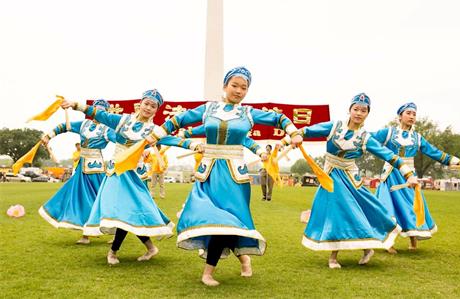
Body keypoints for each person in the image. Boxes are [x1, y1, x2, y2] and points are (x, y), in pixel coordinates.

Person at [148, 67, 303, 286]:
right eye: (235, 85)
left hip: (234, 178)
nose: (239, 91)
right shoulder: (208, 109)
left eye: (244, 88)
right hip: (208, 174)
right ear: (224, 86)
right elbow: (177, 121)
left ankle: (211, 271)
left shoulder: (248, 114)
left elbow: (278, 119)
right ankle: (239, 261)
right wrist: (156, 135)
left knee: (228, 222)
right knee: (214, 220)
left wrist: (294, 133)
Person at [61, 89, 200, 265]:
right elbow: (99, 114)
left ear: (156, 111)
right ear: (140, 104)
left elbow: (172, 140)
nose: (148, 108)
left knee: (127, 213)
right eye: (146, 104)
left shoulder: (153, 130)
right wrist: (76, 105)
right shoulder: (123, 120)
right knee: (121, 212)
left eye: (153, 106)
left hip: (131, 176)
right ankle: (141, 249)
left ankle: (115, 251)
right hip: (114, 173)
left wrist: (194, 145)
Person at [296, 93, 418, 269]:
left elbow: (389, 156)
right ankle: (353, 251)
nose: (359, 113)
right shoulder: (334, 127)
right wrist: (294, 137)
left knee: (361, 212)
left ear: (367, 114)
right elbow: (307, 130)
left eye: (363, 110)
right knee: (335, 214)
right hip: (330, 177)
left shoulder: (366, 138)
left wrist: (408, 174)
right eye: (356, 109)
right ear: (349, 110)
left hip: (351, 179)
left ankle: (348, 253)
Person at [372, 102, 460, 251]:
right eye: (408, 113)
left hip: (409, 177)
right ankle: (389, 243)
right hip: (390, 174)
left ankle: (413, 241)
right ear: (400, 116)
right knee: (388, 208)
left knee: (412, 206)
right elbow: (367, 140)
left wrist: (457, 161)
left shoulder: (417, 138)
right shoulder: (388, 133)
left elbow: (436, 153)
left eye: (414, 114)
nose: (412, 116)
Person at [38, 99, 116, 245]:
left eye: (101, 112)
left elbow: (120, 141)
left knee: (102, 199)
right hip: (82, 168)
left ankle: (115, 230)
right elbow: (64, 126)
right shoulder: (84, 125)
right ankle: (86, 234)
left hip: (96, 168)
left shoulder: (107, 129)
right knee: (80, 197)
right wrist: (49, 136)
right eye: (96, 110)